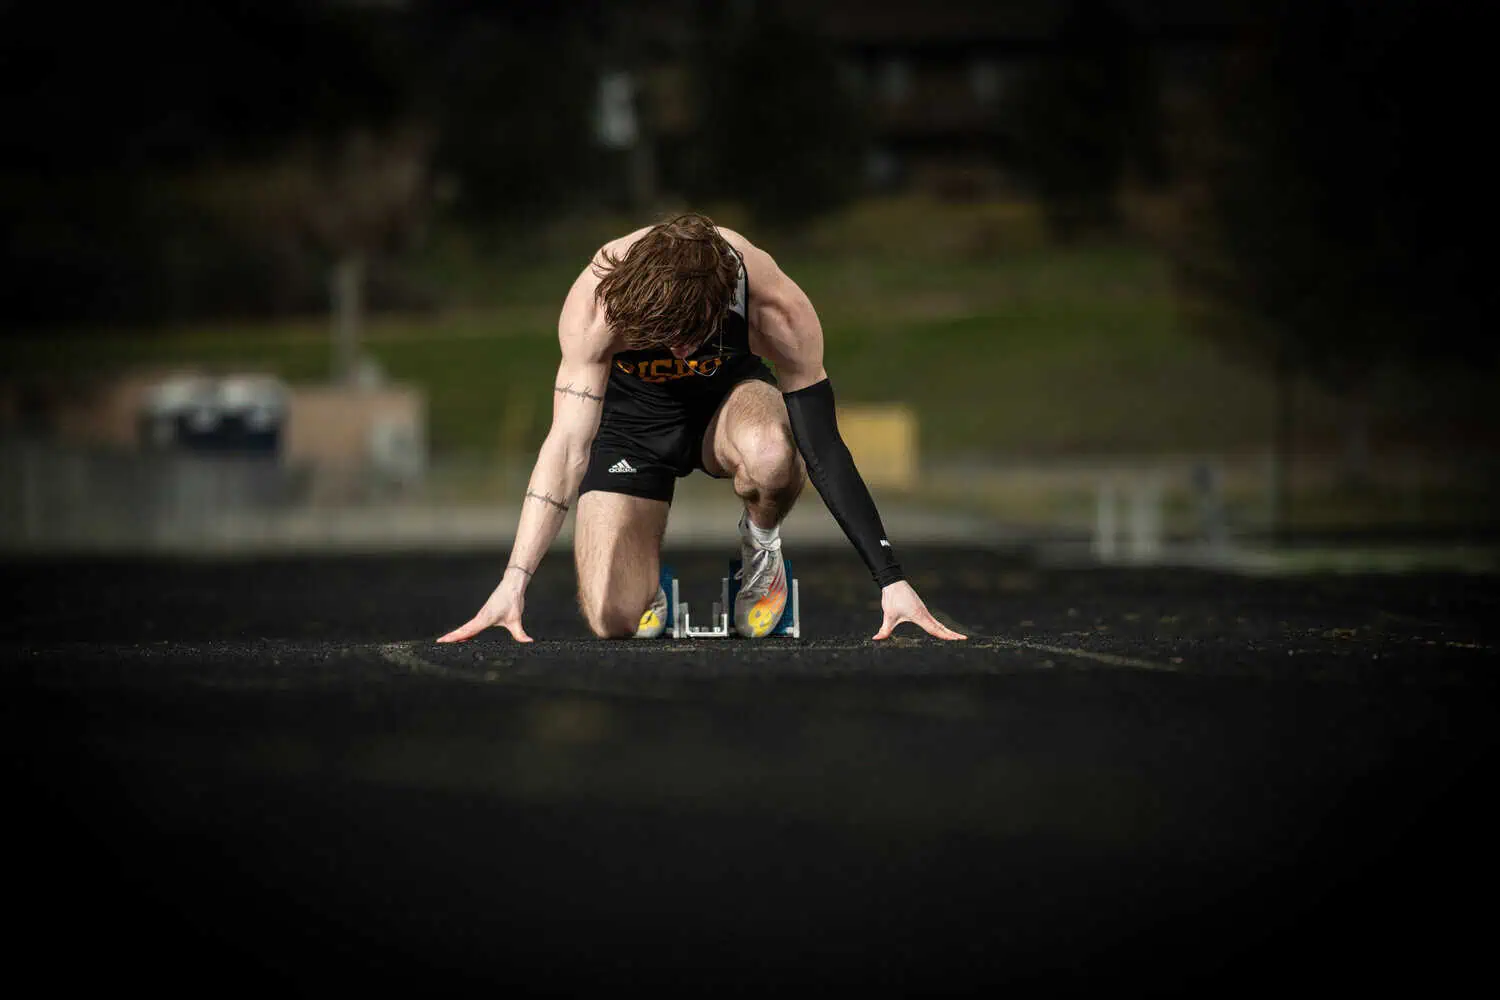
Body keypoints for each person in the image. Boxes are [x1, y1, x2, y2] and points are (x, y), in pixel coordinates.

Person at [438, 212, 965, 644]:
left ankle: (760, 552)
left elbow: (822, 442)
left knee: (773, 454)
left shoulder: (771, 302)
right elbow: (568, 446)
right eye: (664, 339)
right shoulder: (595, 304)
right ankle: (646, 586)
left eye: (693, 338)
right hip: (632, 422)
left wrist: (891, 579)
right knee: (613, 619)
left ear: (724, 301)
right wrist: (514, 581)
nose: (680, 354)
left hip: (729, 404)